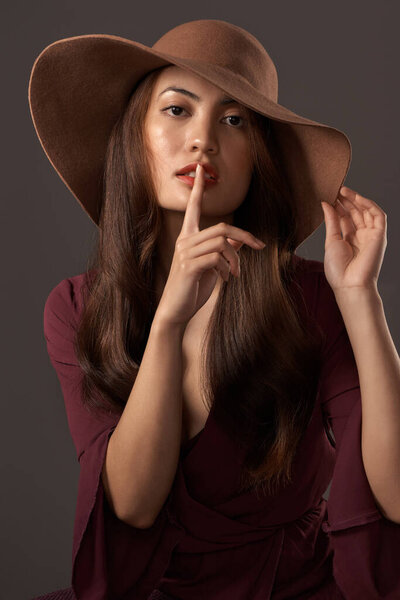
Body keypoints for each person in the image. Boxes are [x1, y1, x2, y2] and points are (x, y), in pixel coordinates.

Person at [29, 19, 400, 600]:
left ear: (259, 157)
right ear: (136, 136)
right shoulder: (76, 307)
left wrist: (361, 301)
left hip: (298, 587)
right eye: (177, 110)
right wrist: (170, 322)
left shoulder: (311, 298)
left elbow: (396, 494)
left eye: (234, 120)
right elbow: (130, 506)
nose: (203, 140)